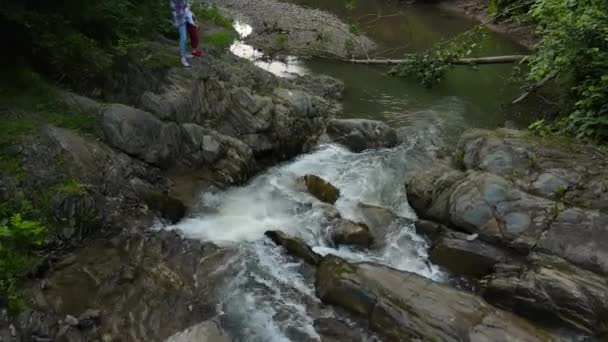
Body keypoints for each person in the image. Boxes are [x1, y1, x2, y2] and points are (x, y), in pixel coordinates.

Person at [169, 0, 190, 67]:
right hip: (178, 20)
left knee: (184, 37)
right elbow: (173, 10)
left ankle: (184, 53)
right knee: (183, 38)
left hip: (183, 18)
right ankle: (182, 58)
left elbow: (184, 5)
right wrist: (175, 22)